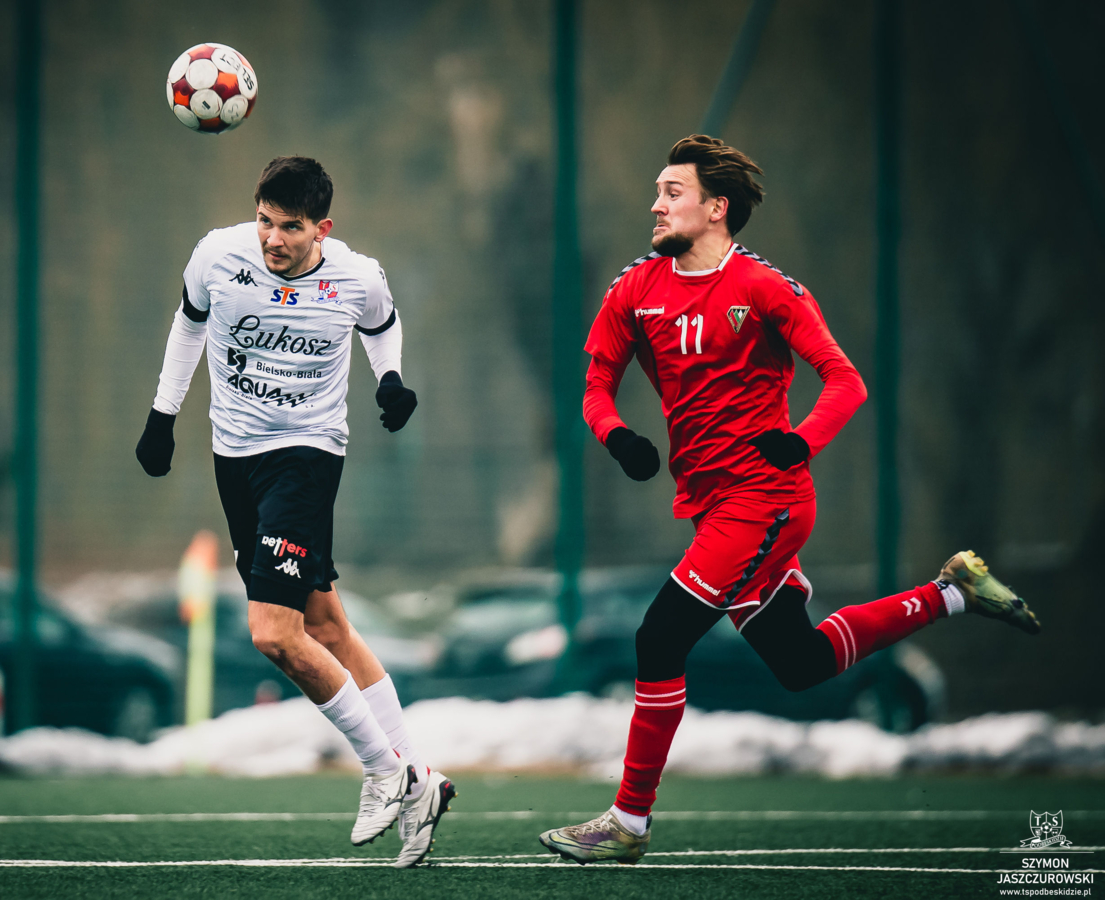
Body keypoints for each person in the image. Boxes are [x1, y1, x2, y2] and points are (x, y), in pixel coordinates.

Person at [538, 135, 1041, 864]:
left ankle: (628, 823)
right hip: (712, 505)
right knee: (801, 664)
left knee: (659, 639)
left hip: (766, 498)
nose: (656, 205)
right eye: (658, 191)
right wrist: (618, 437)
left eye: (672, 192)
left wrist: (800, 441)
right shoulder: (634, 289)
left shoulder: (766, 287)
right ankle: (952, 593)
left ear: (717, 207)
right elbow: (595, 386)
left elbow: (845, 381)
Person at [135, 156, 453, 868]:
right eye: (265, 221)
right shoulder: (217, 256)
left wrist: (391, 378)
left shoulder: (357, 276)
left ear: (322, 229)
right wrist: (162, 416)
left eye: (291, 227)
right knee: (326, 623)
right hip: (235, 457)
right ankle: (421, 778)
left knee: (274, 635)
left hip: (307, 456)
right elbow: (188, 326)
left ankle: (385, 770)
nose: (273, 239)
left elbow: (382, 325)